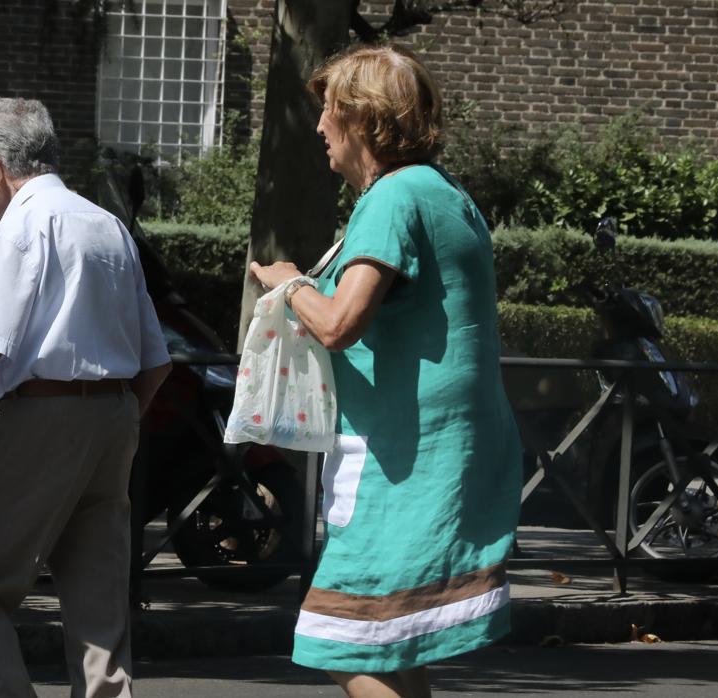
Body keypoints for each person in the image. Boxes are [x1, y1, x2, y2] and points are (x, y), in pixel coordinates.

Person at [250, 44, 522, 698]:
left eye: (332, 112)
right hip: (443, 452)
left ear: (366, 120)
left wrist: (288, 283)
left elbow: (342, 323)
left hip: (403, 462)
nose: (320, 127)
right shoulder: (445, 192)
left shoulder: (392, 198)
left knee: (341, 640)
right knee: (393, 642)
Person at [0, 97, 171, 698]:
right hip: (113, 416)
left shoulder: (21, 227)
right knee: (98, 605)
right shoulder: (105, 223)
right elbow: (157, 360)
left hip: (41, 416)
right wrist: (118, 414)